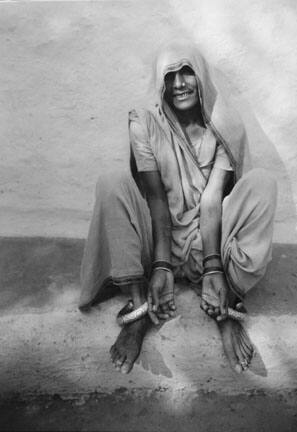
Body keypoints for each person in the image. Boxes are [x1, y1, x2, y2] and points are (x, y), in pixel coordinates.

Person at [79, 41, 277, 375]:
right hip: (160, 236)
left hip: (208, 238)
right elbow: (156, 198)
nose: (180, 83)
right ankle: (140, 307)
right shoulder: (145, 122)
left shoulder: (225, 125)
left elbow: (213, 200)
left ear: (201, 76)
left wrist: (214, 268)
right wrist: (160, 264)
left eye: (187, 72)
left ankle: (223, 303)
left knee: (263, 184)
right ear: (161, 83)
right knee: (112, 182)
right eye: (170, 76)